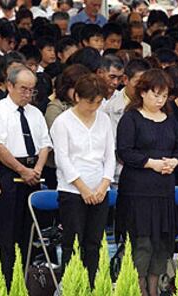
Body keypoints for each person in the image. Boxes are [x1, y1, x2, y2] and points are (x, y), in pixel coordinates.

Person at [116, 69, 178, 296]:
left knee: (161, 242)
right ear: (142, 92)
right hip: (138, 190)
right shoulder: (131, 118)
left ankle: (154, 289)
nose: (160, 100)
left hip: (164, 190)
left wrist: (174, 161)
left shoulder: (171, 119)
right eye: (156, 95)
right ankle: (140, 289)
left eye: (164, 96)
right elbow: (124, 151)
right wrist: (150, 163)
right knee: (142, 243)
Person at [50, 73, 115, 285]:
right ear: (77, 96)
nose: (94, 107)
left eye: (98, 102)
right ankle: (72, 286)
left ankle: (92, 284)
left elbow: (109, 155)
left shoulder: (104, 119)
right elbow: (63, 159)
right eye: (90, 102)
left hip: (100, 189)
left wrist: (104, 185)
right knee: (73, 243)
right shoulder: (63, 122)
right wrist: (84, 189)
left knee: (94, 243)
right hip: (72, 192)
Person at [0, 65, 52, 286]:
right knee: (7, 234)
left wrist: (36, 169)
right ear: (9, 86)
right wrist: (22, 170)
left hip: (33, 174)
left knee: (28, 235)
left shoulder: (35, 113)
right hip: (10, 173)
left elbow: (45, 145)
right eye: (23, 89)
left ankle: (23, 281)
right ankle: (6, 283)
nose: (27, 94)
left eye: (31, 90)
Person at [44, 64, 91, 189]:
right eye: (76, 89)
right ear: (66, 88)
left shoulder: (90, 107)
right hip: (58, 168)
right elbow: (58, 142)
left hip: (86, 166)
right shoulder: (56, 107)